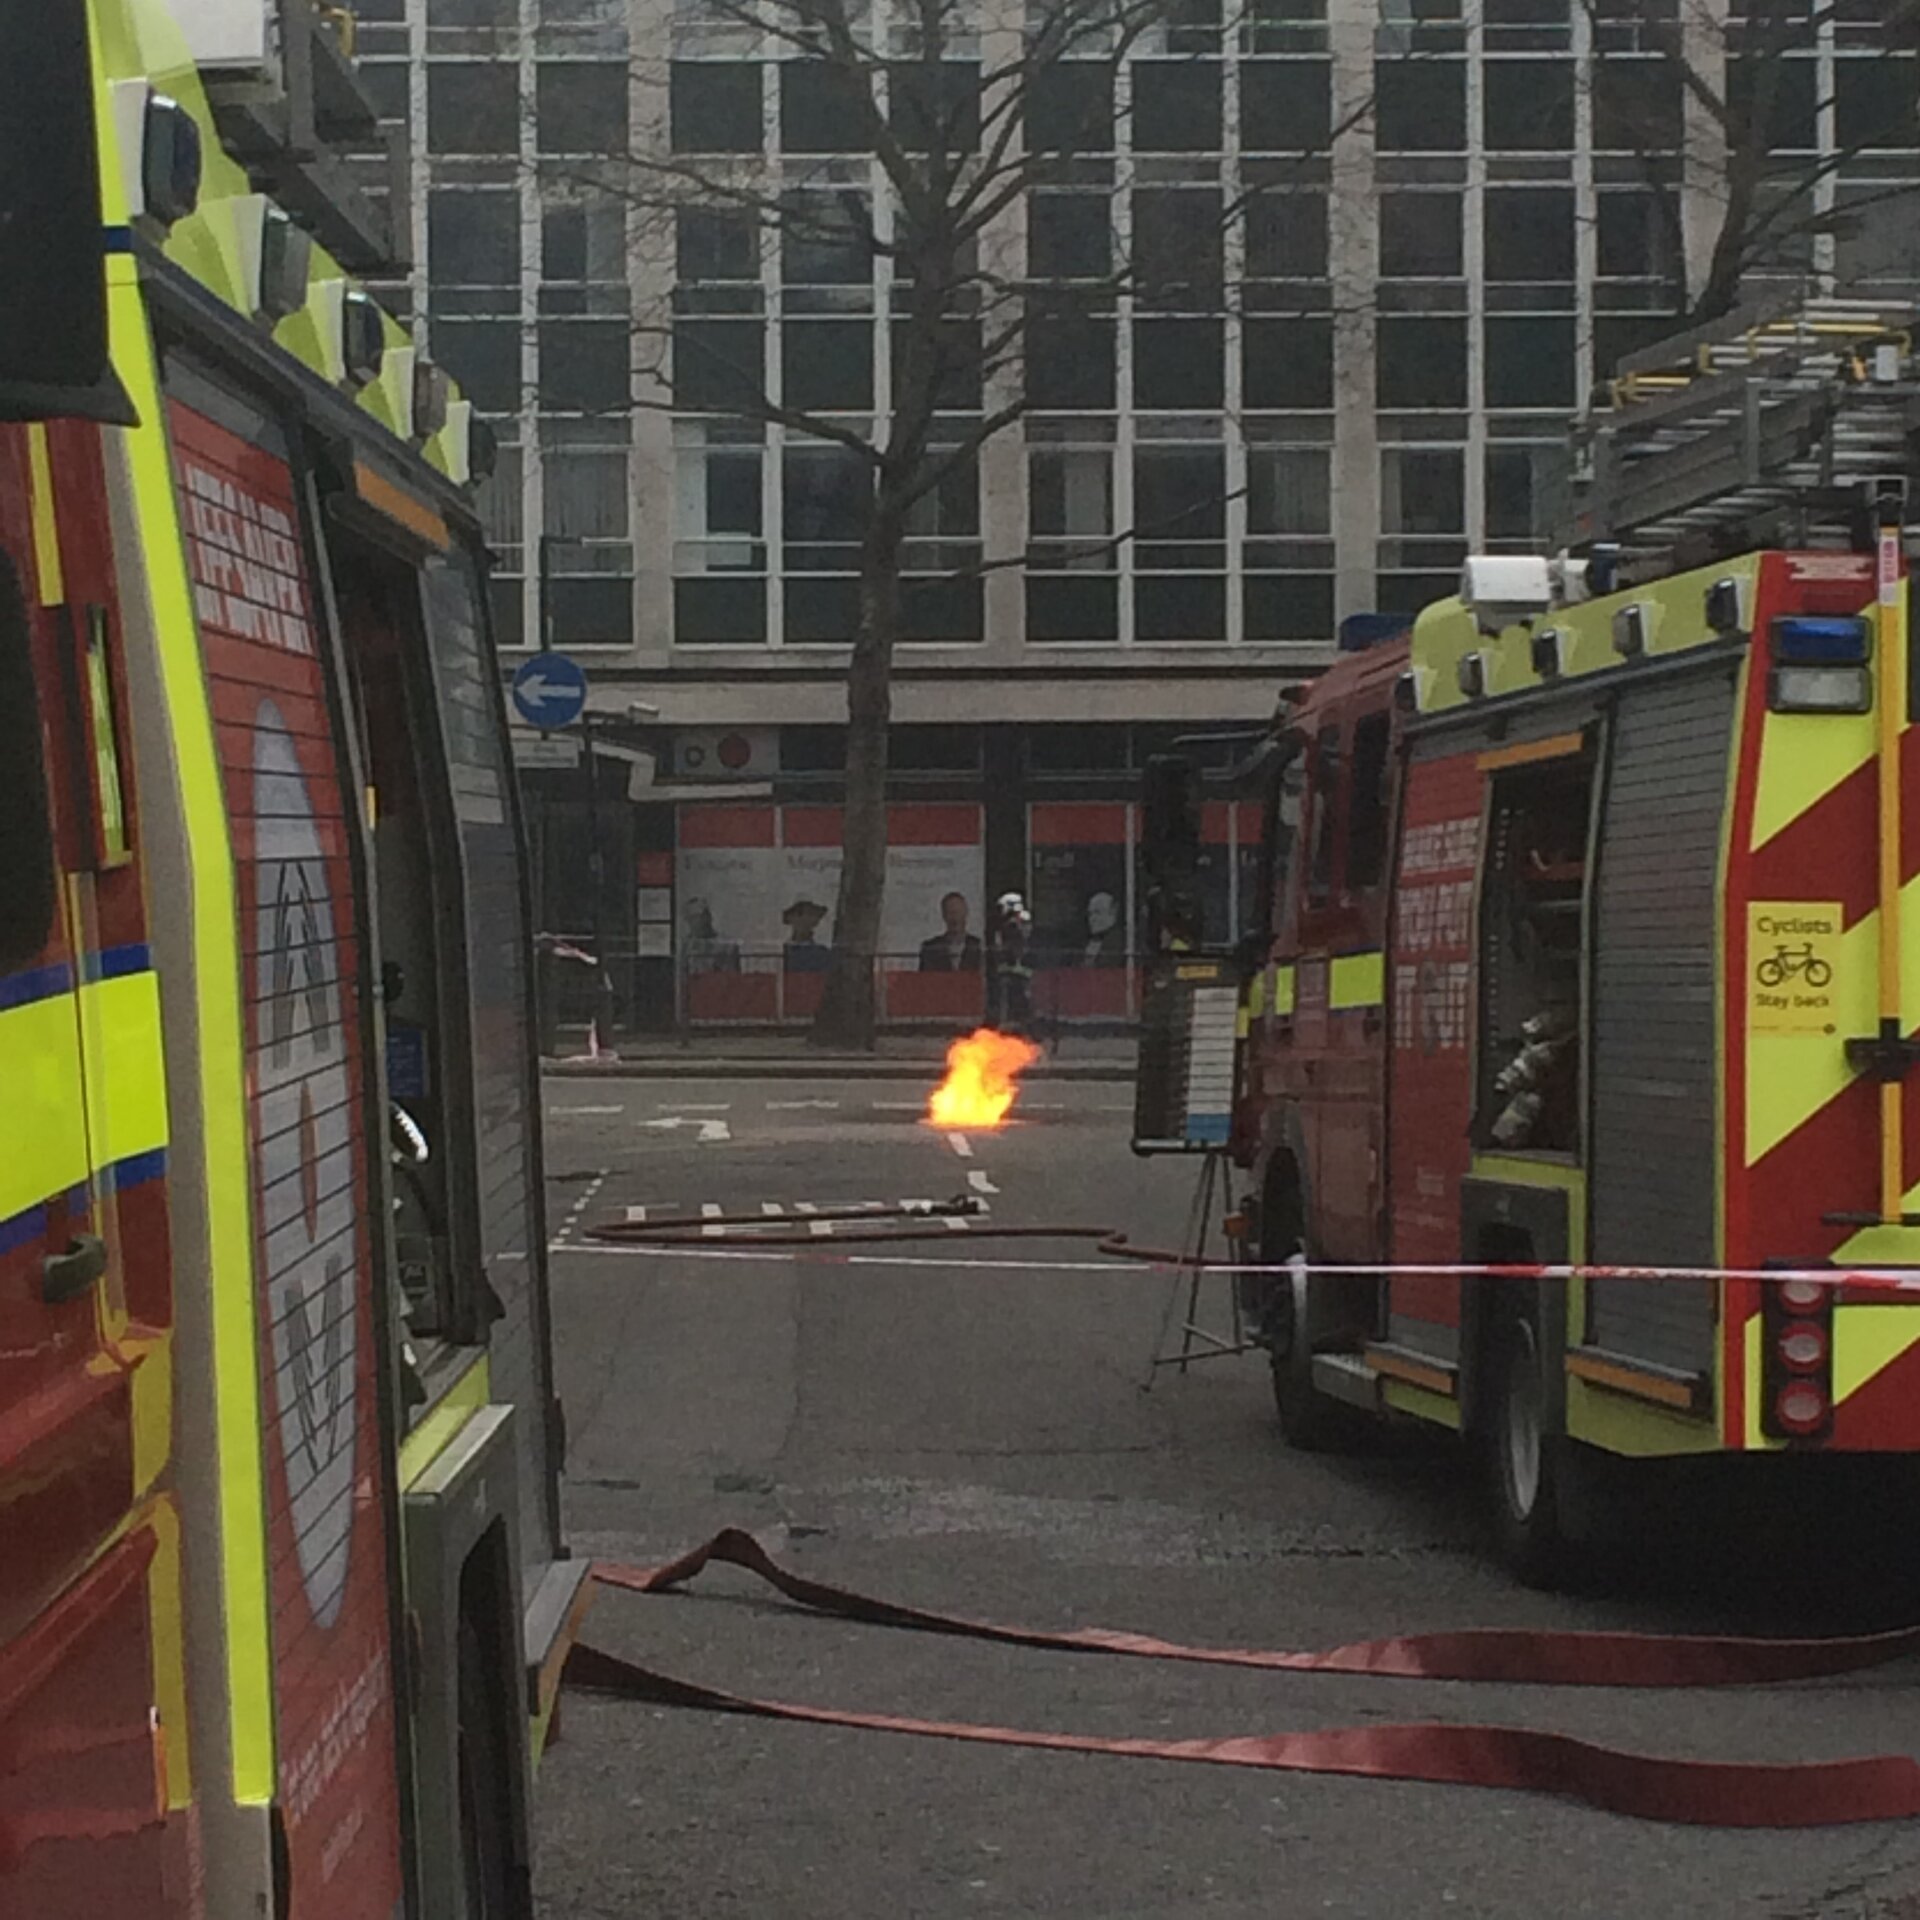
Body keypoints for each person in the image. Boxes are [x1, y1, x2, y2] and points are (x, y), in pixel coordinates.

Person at [987, 890, 1033, 1030]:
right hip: (1008, 968)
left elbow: (1020, 944)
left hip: (1020, 968)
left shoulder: (1018, 923)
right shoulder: (1003, 925)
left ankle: (1022, 1020)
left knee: (1019, 994)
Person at [918, 890, 983, 972]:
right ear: (944, 916)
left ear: (966, 914)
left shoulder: (979, 947)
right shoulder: (931, 949)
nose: (955, 919)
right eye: (951, 913)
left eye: (958, 912)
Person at [781, 897, 833, 972]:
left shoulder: (822, 954)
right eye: (799, 913)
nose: (804, 918)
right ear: (789, 917)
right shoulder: (779, 950)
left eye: (812, 914)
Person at [1080, 890, 1125, 966]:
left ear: (1112, 912)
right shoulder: (1087, 942)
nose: (1092, 919)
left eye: (1097, 912)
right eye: (1090, 914)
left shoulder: (1119, 942)